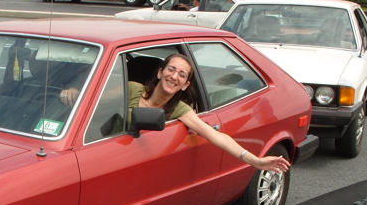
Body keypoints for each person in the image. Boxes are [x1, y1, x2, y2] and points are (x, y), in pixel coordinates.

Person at [60, 54, 290, 173]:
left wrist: (255, 160)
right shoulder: (131, 89)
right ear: (160, 73)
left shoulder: (180, 110)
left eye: (181, 75)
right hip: (103, 154)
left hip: (140, 164)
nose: (174, 76)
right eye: (171, 69)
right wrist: (72, 92)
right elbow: (91, 97)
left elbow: (216, 136)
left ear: (184, 85)